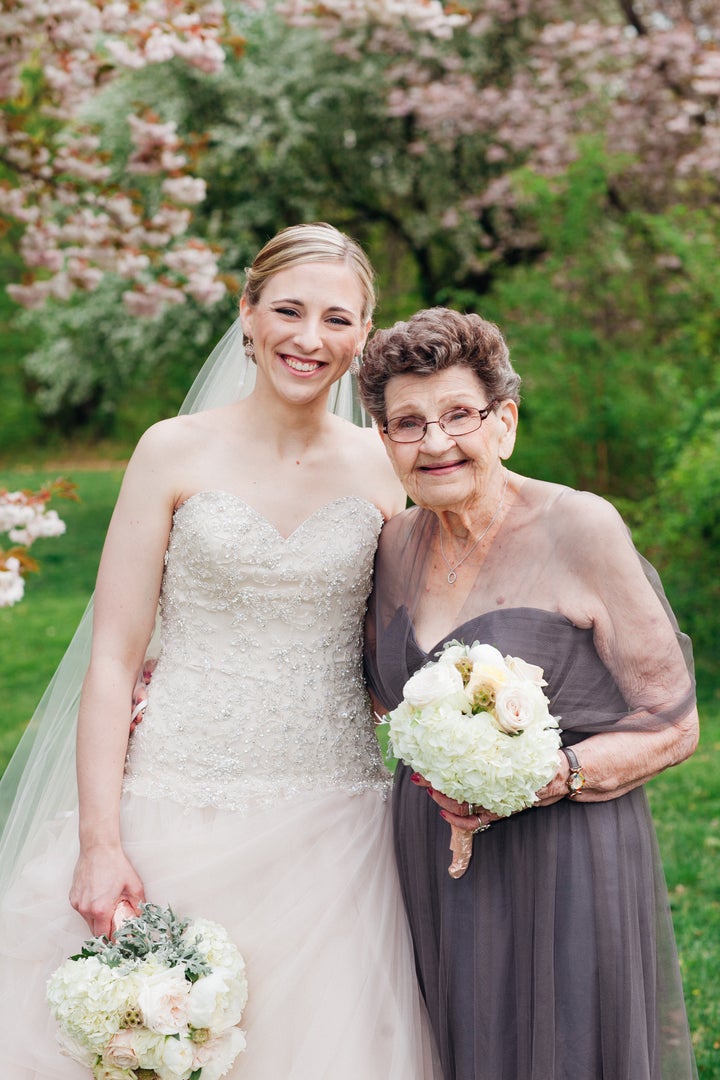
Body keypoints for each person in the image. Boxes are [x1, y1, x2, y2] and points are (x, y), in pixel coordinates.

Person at [0, 224, 440, 1078]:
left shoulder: (388, 468)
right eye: (289, 310)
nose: (310, 339)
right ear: (247, 312)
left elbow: (412, 642)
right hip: (171, 799)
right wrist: (100, 841)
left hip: (335, 820)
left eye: (338, 320)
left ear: (362, 338)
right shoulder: (172, 449)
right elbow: (113, 660)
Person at [358, 307, 699, 1080]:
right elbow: (368, 693)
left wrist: (548, 780)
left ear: (504, 423)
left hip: (564, 854)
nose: (435, 443)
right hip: (430, 853)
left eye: (458, 415)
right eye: (407, 424)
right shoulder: (392, 545)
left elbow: (675, 724)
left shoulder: (580, 527)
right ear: (383, 440)